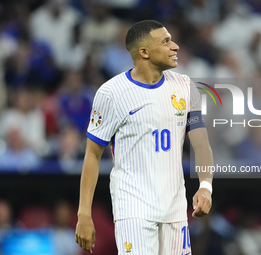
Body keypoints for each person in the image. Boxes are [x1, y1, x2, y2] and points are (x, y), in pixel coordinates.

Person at [75, 20, 214, 254]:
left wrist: (205, 187)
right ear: (144, 52)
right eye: (166, 41)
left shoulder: (185, 87)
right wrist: (84, 214)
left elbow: (201, 144)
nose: (176, 46)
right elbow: (92, 154)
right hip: (133, 210)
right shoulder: (111, 94)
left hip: (175, 210)